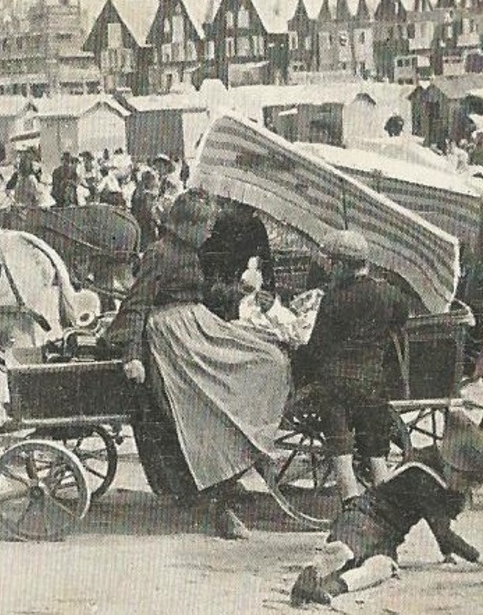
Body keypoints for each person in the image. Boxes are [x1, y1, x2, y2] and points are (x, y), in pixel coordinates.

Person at [108, 193, 290, 539]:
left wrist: (240, 294)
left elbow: (199, 293)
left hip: (192, 327)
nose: (210, 233)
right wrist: (132, 354)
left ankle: (235, 464)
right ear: (188, 225)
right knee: (208, 405)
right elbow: (136, 304)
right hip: (173, 341)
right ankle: (220, 499)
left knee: (268, 358)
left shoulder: (187, 251)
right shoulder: (159, 253)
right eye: (206, 226)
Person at [288, 414, 483, 606]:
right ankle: (313, 575)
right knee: (345, 552)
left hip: (385, 535)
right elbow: (443, 532)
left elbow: (438, 524)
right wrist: (480, 559)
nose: (470, 488)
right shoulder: (424, 480)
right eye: (470, 482)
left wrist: (446, 552)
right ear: (454, 469)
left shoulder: (425, 465)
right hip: (362, 518)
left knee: (382, 566)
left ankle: (331, 589)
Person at [291, 229, 409, 502]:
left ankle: (350, 512)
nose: (329, 270)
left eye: (331, 264)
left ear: (343, 265)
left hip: (335, 386)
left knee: (341, 455)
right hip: (371, 384)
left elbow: (316, 348)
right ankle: (385, 511)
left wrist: (298, 366)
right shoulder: (387, 293)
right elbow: (401, 318)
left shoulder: (333, 299)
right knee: (377, 454)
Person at [129, 168, 160, 246]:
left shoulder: (138, 191)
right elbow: (149, 211)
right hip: (146, 223)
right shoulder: (146, 194)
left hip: (137, 221)